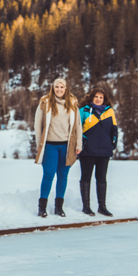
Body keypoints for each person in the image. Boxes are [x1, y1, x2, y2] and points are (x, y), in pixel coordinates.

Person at [33, 78, 82, 218]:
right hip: (50, 146)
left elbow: (78, 125)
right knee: (48, 175)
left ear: (66, 88)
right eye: (57, 87)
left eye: (62, 87)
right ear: (53, 88)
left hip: (67, 146)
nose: (59, 89)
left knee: (63, 176)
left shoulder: (72, 104)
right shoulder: (45, 103)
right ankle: (42, 207)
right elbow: (38, 125)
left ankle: (59, 207)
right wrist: (39, 145)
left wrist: (78, 144)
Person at [78, 86, 118, 217]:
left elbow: (114, 129)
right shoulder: (83, 111)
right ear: (91, 98)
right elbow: (76, 130)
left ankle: (102, 207)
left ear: (104, 99)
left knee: (101, 179)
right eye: (96, 97)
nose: (98, 99)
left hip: (104, 150)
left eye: (101, 97)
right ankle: (86, 207)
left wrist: (113, 143)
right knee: (86, 178)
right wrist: (81, 142)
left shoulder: (109, 111)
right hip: (87, 150)